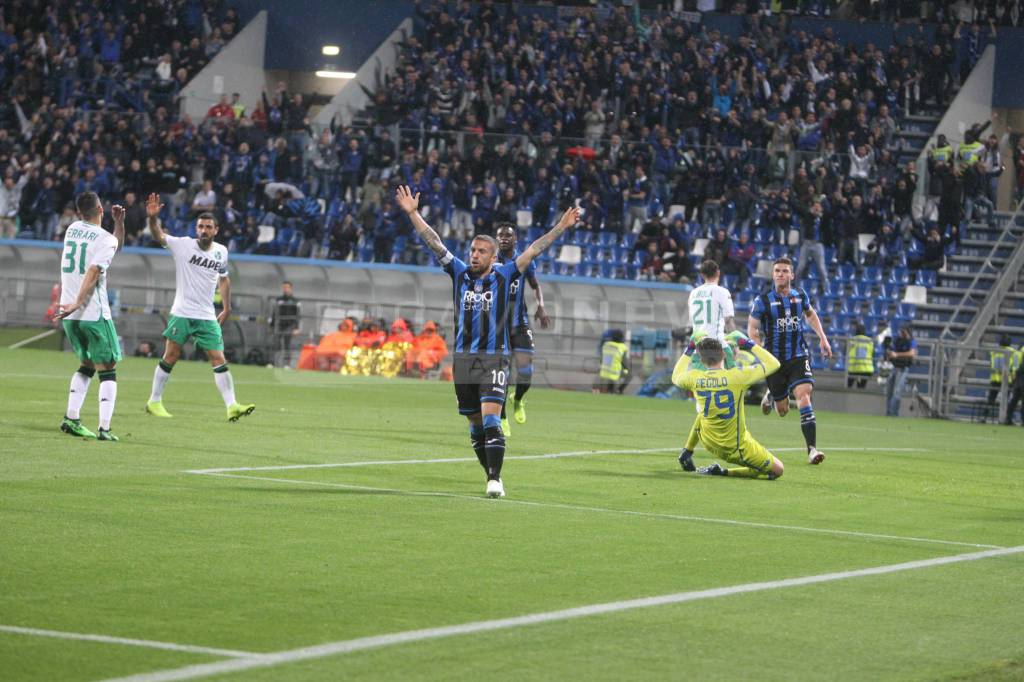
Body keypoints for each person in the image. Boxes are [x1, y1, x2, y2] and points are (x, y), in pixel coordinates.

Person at [395, 184, 580, 499]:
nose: (474, 255)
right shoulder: (460, 274)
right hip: (464, 361)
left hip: (495, 359)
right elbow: (435, 243)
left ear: (494, 257)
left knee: (492, 418)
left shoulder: (506, 274)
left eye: (481, 251)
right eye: (472, 250)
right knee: (475, 427)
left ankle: (495, 479)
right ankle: (491, 475)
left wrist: (561, 227)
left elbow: (535, 249)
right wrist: (414, 214)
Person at [142, 194, 255, 422]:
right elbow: (159, 235)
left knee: (218, 358)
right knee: (171, 355)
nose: (203, 230)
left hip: (206, 315)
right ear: (196, 228)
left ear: (216, 230)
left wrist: (227, 306)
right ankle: (154, 401)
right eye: (200, 226)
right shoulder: (183, 245)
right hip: (182, 312)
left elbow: (223, 278)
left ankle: (232, 406)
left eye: (208, 227)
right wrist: (153, 219)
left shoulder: (221, 251)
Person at [53, 192, 125, 441]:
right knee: (108, 367)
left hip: (69, 313)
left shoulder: (72, 229)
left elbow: (112, 248)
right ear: (101, 209)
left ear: (79, 211)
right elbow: (94, 269)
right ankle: (105, 429)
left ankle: (71, 418)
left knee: (86, 364)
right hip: (91, 311)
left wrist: (119, 225)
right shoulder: (105, 239)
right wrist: (80, 301)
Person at [748, 257, 832, 465]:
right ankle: (772, 394)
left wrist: (823, 337)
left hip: (797, 356)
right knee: (783, 410)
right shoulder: (763, 301)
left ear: (792, 275)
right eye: (777, 271)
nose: (780, 274)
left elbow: (811, 315)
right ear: (773, 274)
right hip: (774, 362)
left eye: (785, 271)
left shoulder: (800, 296)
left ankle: (812, 449)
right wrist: (758, 350)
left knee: (804, 396)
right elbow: (752, 328)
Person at [672, 333, 785, 480]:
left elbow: (675, 376)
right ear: (724, 354)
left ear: (702, 360)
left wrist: (689, 348)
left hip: (708, 440)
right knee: (778, 470)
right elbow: (774, 364)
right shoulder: (737, 376)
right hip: (735, 447)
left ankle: (687, 449)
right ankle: (723, 472)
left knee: (703, 413)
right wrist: (747, 343)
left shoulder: (695, 377)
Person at [677, 260, 736, 471]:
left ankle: (687, 451)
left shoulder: (694, 294)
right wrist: (734, 345)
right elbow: (728, 321)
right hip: (718, 348)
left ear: (701, 274)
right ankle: (727, 445)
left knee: (705, 404)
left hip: (697, 349)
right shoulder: (722, 292)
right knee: (726, 397)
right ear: (718, 273)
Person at [495, 223, 551, 433]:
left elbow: (535, 286)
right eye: (500, 235)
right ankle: (501, 418)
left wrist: (541, 307)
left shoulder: (524, 261)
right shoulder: (491, 260)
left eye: (507, 235)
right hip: (497, 326)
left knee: (525, 372)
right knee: (502, 374)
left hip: (519, 323)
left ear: (515, 239)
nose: (503, 239)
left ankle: (518, 399)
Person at [885, 325, 917, 417]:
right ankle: (888, 412)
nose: (901, 334)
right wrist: (889, 353)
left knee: (897, 391)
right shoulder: (897, 340)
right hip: (895, 367)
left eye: (903, 332)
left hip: (903, 368)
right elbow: (891, 351)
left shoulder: (911, 341)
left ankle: (894, 413)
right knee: (890, 391)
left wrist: (897, 355)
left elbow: (911, 353)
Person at [270, 281, 301, 367]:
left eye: (287, 287)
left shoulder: (295, 301)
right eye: (284, 287)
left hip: (289, 326)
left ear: (291, 288)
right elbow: (274, 313)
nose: (285, 289)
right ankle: (274, 363)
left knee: (287, 345)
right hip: (279, 325)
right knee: (276, 345)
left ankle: (286, 364)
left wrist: (296, 328)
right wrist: (272, 325)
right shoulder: (279, 300)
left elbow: (297, 315)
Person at [987, 335, 1016, 422]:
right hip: (1007, 379)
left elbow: (991, 363)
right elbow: (1015, 366)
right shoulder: (1013, 352)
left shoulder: (994, 351)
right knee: (1005, 401)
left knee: (991, 399)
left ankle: (984, 416)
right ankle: (1005, 418)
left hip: (995, 378)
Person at [593, 329, 630, 394]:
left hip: (603, 372)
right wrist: (627, 369)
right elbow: (624, 362)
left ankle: (604, 390)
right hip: (614, 373)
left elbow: (601, 359)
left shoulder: (606, 345)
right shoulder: (622, 347)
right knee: (629, 375)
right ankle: (619, 391)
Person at [846, 322, 875, 389]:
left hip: (853, 368)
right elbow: (872, 353)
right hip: (867, 369)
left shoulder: (851, 340)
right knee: (861, 389)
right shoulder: (870, 341)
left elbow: (846, 351)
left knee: (848, 387)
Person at [1005, 344, 1023, 426]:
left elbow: (1014, 365)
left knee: (1014, 400)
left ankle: (1008, 418)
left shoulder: (1017, 351)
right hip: (1022, 377)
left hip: (1016, 378)